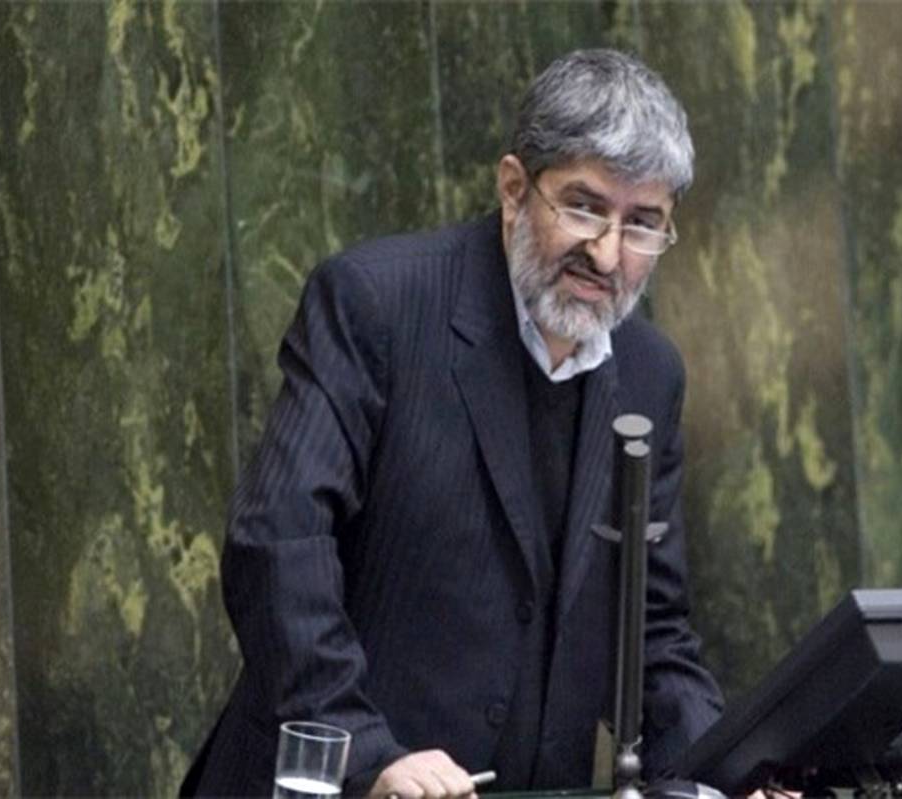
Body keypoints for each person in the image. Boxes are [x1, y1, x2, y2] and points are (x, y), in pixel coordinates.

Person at [181, 48, 724, 798]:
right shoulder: (375, 304)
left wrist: (732, 775)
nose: (606, 254)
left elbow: (652, 632)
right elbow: (277, 543)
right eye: (584, 207)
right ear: (514, 189)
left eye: (642, 224)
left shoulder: (649, 374)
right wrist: (368, 752)